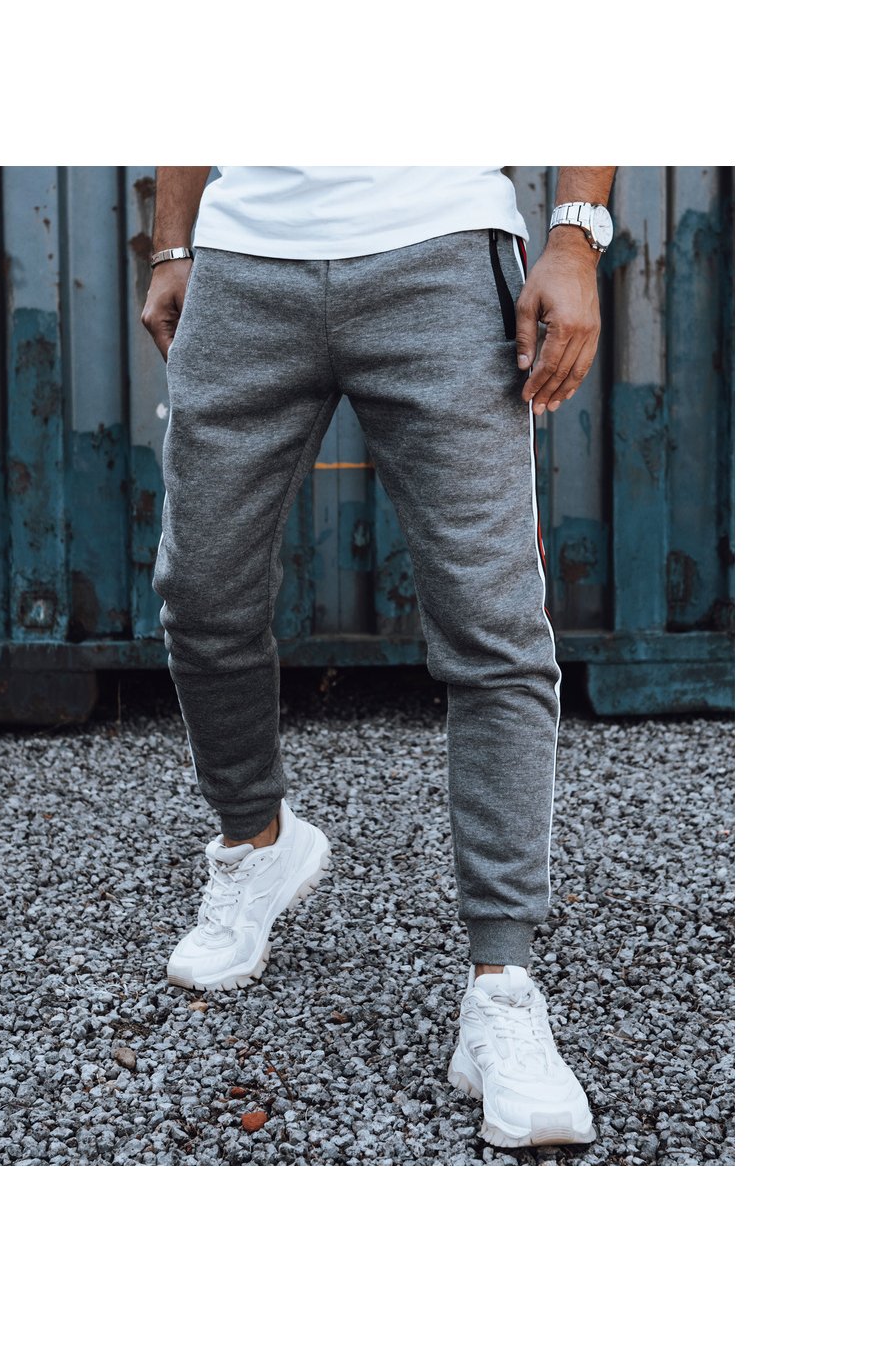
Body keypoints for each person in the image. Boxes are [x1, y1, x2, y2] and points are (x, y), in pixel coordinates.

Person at [142, 165, 617, 1149]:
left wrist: (574, 236)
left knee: (493, 628)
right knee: (201, 591)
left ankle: (500, 987)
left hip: (441, 247)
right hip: (245, 256)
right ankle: (257, 845)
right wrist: (172, 243)